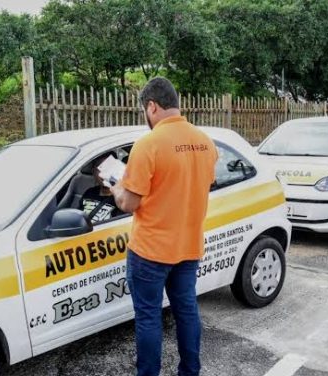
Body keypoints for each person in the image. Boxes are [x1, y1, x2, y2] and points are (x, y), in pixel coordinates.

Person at [110, 77, 218, 376]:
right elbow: (199, 185)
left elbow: (129, 203)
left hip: (150, 252)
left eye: (145, 111)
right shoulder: (205, 142)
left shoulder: (149, 144)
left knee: (148, 317)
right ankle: (190, 371)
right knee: (187, 312)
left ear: (152, 106)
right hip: (188, 247)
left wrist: (116, 185)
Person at [78, 153, 125, 223]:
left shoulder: (122, 197)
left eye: (109, 167)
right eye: (100, 167)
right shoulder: (90, 192)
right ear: (93, 171)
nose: (104, 172)